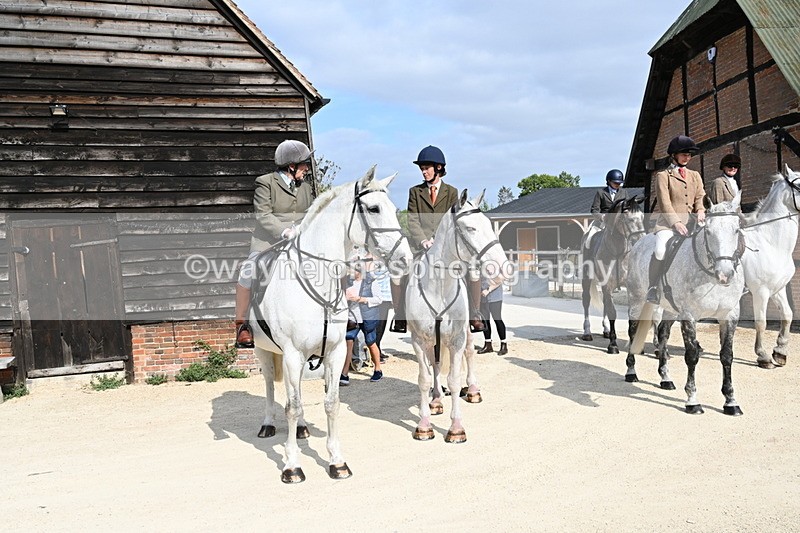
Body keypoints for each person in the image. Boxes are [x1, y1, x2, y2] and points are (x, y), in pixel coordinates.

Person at [389, 145, 485, 333]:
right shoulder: (415, 192)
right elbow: (413, 219)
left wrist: (439, 240)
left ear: (438, 168)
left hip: (445, 246)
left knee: (473, 270)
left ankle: (474, 314)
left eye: (427, 168)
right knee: (398, 273)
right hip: (420, 246)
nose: (423, 172)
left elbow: (451, 220)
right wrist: (423, 240)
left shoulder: (451, 192)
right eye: (422, 169)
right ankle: (400, 317)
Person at [234, 139, 315, 347]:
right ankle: (243, 326)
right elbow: (263, 215)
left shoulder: (305, 188)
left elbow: (311, 213)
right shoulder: (265, 183)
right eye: (304, 164)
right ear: (291, 166)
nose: (307, 168)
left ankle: (338, 316)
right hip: (268, 243)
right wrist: (284, 231)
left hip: (299, 242)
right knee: (247, 272)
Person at [646, 134, 706, 304]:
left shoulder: (695, 175)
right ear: (674, 155)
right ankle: (653, 287)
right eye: (684, 154)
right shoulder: (663, 176)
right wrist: (676, 223)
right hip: (668, 225)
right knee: (660, 250)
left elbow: (700, 196)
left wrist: (701, 209)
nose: (688, 157)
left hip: (693, 224)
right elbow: (664, 203)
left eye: (689, 154)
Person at [339, 265, 384, 385]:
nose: (351, 272)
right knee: (348, 342)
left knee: (371, 342)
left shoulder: (371, 281)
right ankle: (344, 373)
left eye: (353, 269)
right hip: (352, 317)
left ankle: (378, 369)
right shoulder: (347, 282)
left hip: (367, 317)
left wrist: (360, 299)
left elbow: (379, 299)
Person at [583, 169, 629, 251]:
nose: (618, 184)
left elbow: (628, 208)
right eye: (615, 183)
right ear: (609, 181)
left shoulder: (624, 193)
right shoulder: (601, 192)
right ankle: (586, 261)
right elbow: (594, 210)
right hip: (602, 222)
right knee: (588, 240)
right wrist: (602, 217)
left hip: (619, 223)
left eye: (619, 183)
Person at [476, 275, 508, 355]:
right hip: (482, 296)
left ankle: (504, 345)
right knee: (485, 321)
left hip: (495, 296)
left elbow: (499, 280)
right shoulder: (479, 264)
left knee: (497, 319)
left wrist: (488, 289)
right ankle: (488, 345)